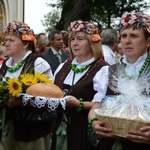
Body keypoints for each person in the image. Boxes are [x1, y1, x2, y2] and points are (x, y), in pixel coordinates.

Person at [88, 12, 150, 150]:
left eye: (134, 36)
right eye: (124, 36)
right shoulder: (108, 72)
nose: (127, 41)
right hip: (111, 144)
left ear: (148, 41)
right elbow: (96, 106)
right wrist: (93, 123)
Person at [53, 20, 109, 150]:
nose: (74, 43)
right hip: (60, 130)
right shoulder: (64, 66)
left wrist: (79, 104)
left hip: (84, 133)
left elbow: (105, 105)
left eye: (80, 39)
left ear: (91, 42)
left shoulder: (102, 69)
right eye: (72, 39)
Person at [0, 21, 53, 150]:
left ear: (25, 43)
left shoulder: (39, 64)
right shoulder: (5, 64)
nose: (6, 43)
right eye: (6, 40)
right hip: (7, 129)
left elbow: (51, 99)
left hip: (32, 131)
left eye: (11, 40)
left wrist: (21, 101)